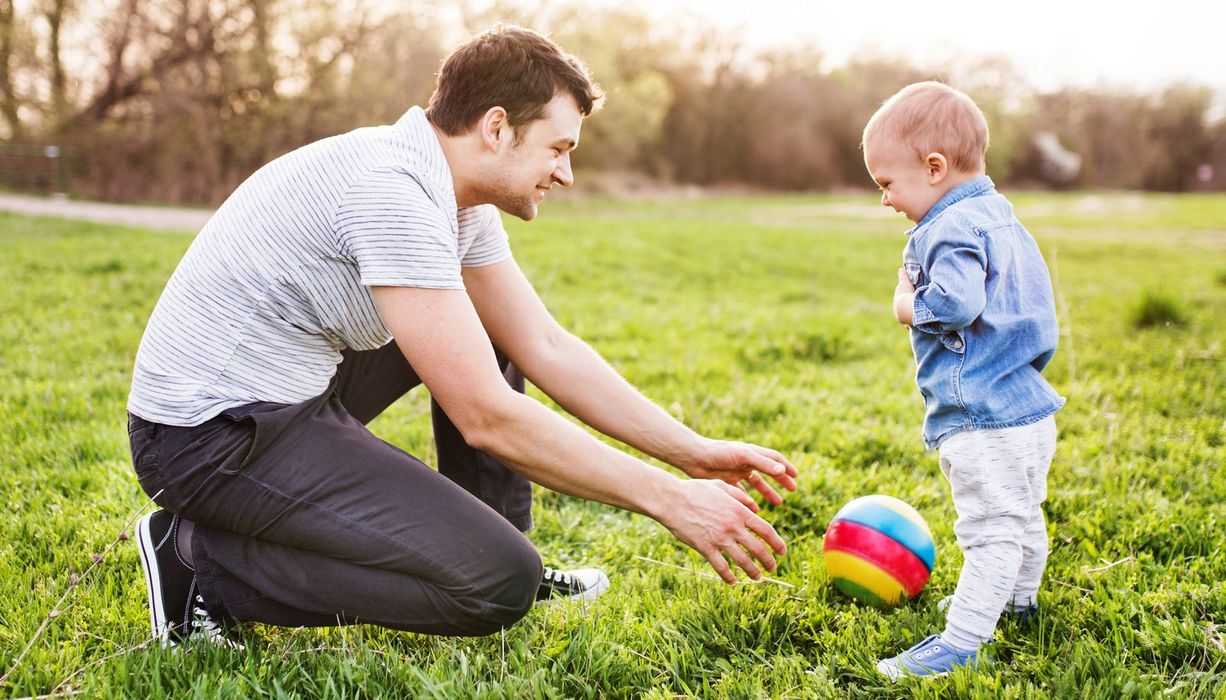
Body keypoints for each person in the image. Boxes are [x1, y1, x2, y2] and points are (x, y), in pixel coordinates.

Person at [127, 25, 799, 647]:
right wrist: (668, 499)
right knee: (491, 584)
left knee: (491, 328)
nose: (565, 173)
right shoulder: (392, 191)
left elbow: (543, 344)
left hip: (289, 392)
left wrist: (693, 453)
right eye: (558, 149)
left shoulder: (453, 192)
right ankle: (197, 560)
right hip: (206, 439)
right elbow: (487, 417)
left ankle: (502, 540)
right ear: (497, 128)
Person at [860, 81, 1065, 679]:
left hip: (983, 415)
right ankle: (1018, 604)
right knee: (1024, 517)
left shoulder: (949, 228)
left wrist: (905, 301)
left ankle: (962, 641)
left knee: (991, 530)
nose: (885, 201)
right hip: (1027, 406)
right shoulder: (998, 214)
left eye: (887, 184)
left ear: (934, 167)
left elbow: (954, 304)